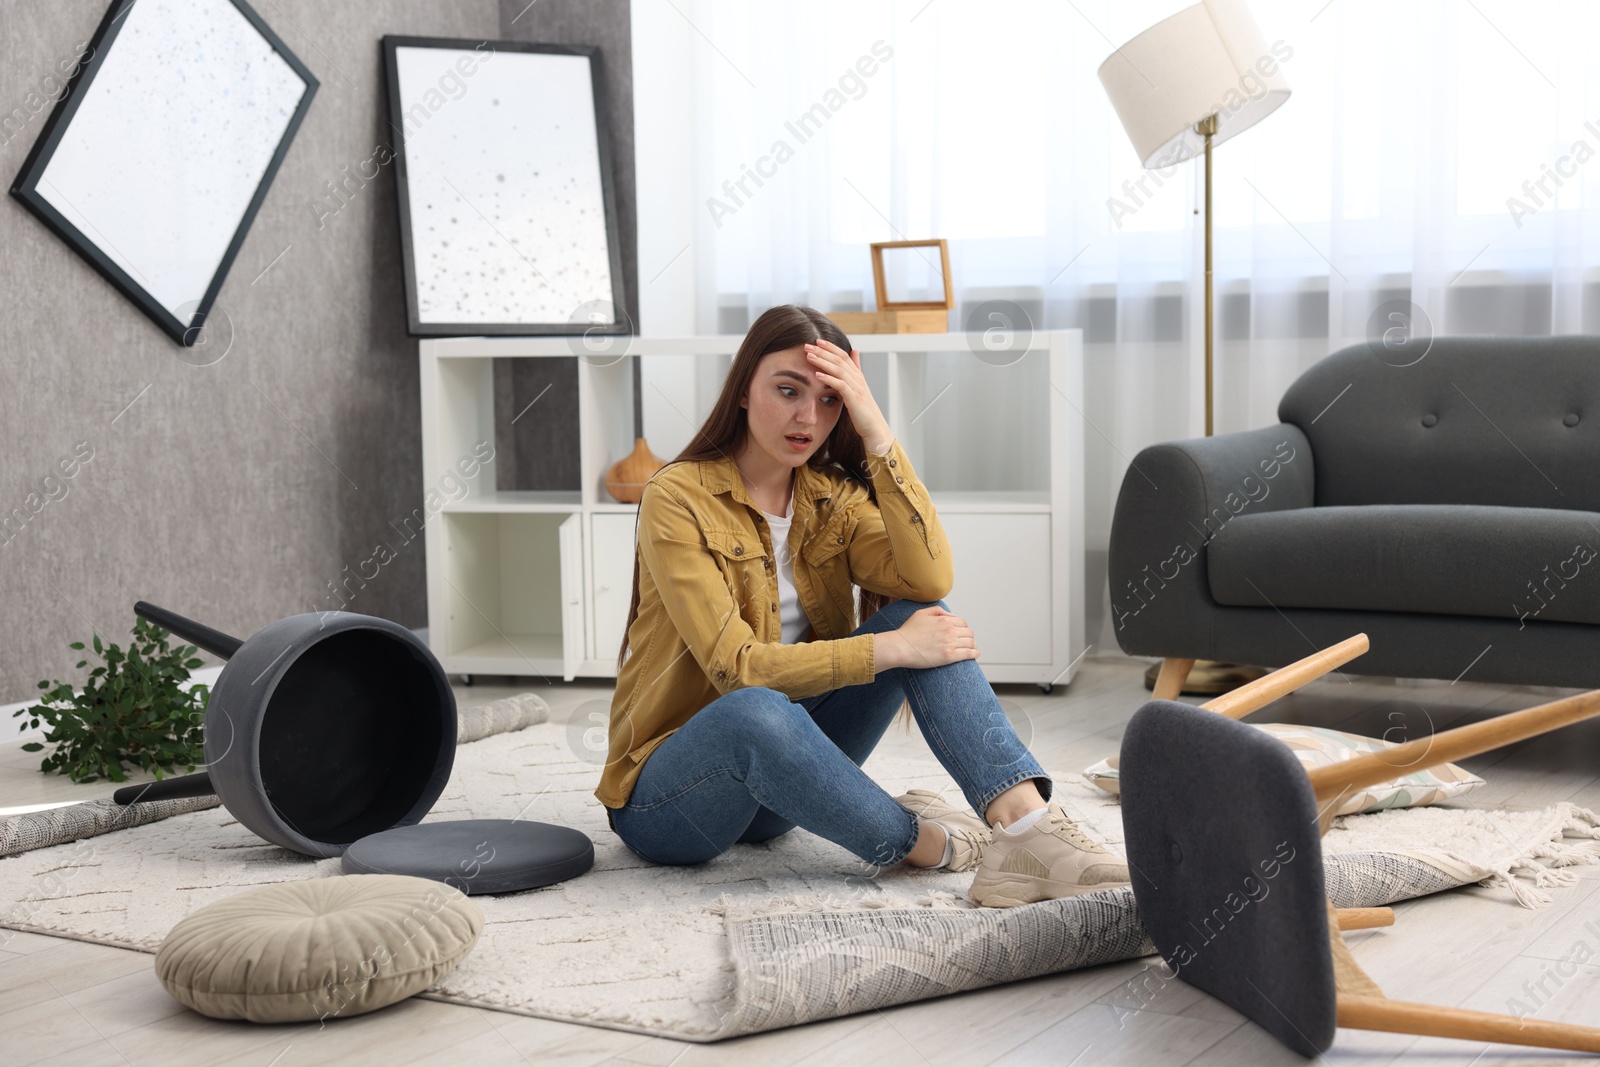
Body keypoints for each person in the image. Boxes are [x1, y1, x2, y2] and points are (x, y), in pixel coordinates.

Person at [593, 304, 1129, 907]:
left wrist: (878, 432)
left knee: (922, 618)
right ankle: (927, 844)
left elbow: (928, 577)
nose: (807, 418)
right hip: (667, 803)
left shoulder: (832, 498)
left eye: (829, 400)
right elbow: (736, 668)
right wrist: (891, 650)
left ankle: (1031, 832)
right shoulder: (676, 496)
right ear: (743, 390)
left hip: (777, 793)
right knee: (757, 709)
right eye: (787, 390)